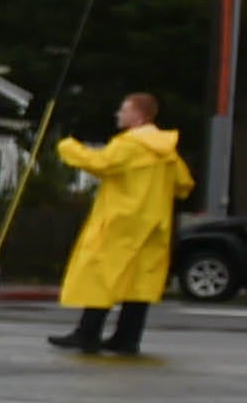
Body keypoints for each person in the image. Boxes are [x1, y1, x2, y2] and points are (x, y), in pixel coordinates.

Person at [48, 91, 187, 356]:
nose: (118, 114)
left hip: (121, 220)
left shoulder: (130, 144)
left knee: (102, 274)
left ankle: (87, 334)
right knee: (139, 281)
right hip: (153, 224)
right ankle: (127, 338)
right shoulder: (167, 149)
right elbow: (183, 184)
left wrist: (68, 147)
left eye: (124, 109)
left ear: (138, 116)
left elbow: (101, 163)